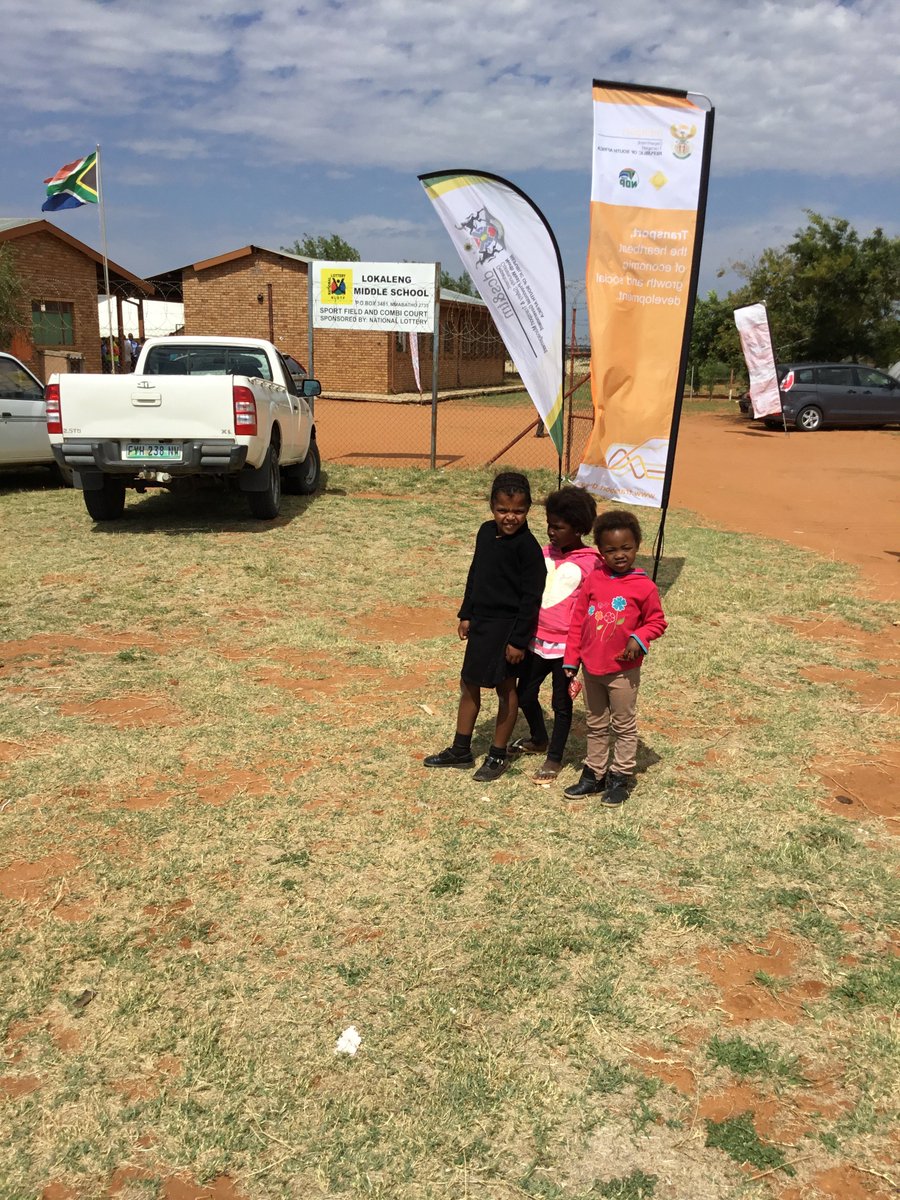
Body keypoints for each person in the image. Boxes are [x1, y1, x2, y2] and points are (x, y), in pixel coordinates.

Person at [425, 471, 545, 782]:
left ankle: (497, 754)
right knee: (469, 683)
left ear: (529, 509)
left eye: (518, 511)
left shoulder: (528, 548)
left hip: (508, 629)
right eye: (503, 510)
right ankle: (461, 748)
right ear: (492, 506)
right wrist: (467, 613)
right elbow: (476, 573)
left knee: (506, 690)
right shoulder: (484, 533)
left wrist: (518, 640)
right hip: (482, 625)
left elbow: (532, 599)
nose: (510, 517)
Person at [562, 510, 667, 807]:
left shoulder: (644, 586)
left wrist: (638, 638)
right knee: (596, 724)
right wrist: (572, 659)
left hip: (622, 672)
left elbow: (657, 622)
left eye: (626, 548)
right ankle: (594, 774)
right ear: (600, 550)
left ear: (637, 546)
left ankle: (620, 776)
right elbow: (578, 621)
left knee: (622, 724)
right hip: (591, 670)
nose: (619, 555)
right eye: (611, 550)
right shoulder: (594, 580)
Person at [510, 486, 598, 781]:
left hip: (567, 649)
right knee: (524, 694)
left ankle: (555, 758)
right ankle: (538, 738)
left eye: (558, 527)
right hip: (535, 641)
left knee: (561, 704)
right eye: (549, 524)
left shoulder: (592, 563)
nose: (551, 532)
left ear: (579, 529)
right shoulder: (542, 553)